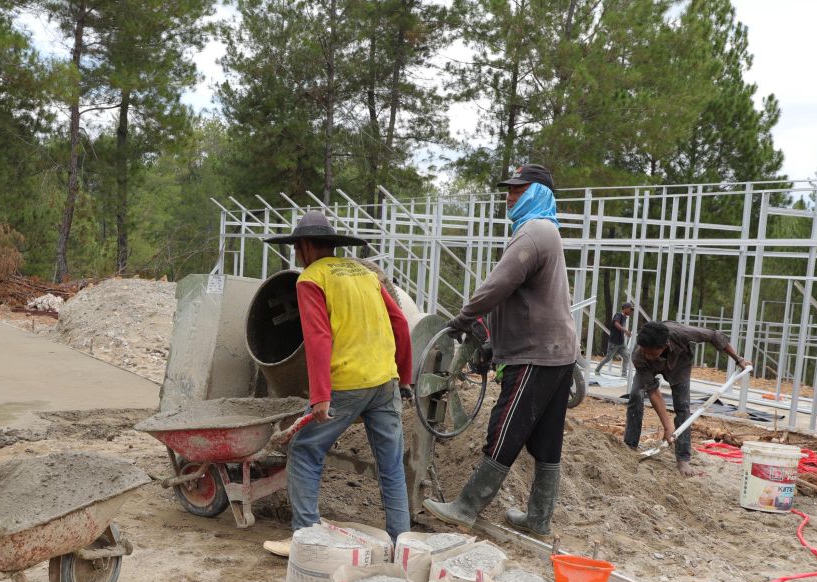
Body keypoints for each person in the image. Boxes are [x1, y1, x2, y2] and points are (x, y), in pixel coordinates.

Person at [424, 164, 578, 538]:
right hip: (558, 350)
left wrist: (462, 320)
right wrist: (494, 341)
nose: (510, 196)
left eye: (518, 189)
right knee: (545, 437)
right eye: (509, 189)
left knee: (505, 426)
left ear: (538, 192)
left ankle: (466, 506)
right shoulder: (547, 231)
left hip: (535, 352)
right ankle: (539, 517)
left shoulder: (533, 233)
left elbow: (498, 286)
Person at [259, 210, 413, 556]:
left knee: (304, 449)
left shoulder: (311, 278)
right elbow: (400, 323)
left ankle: (305, 537)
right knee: (390, 464)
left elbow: (317, 337)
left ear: (305, 246)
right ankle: (404, 545)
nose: (298, 255)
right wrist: (405, 376)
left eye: (298, 248)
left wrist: (320, 396)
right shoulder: (364, 273)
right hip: (385, 380)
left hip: (347, 382)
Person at [625, 320, 752, 478]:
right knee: (635, 395)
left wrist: (738, 360)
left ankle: (683, 459)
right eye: (645, 352)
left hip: (680, 365)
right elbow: (653, 391)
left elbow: (714, 335)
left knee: (682, 407)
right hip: (648, 370)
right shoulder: (640, 356)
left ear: (664, 345)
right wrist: (668, 427)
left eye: (652, 353)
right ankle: (630, 446)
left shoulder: (680, 333)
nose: (648, 356)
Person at [594, 301, 634, 375]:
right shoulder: (619, 315)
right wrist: (625, 331)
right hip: (614, 342)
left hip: (621, 343)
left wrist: (626, 333)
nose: (631, 311)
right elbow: (616, 324)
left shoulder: (624, 318)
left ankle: (624, 373)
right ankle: (597, 369)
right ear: (625, 309)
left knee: (626, 357)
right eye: (630, 309)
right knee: (608, 358)